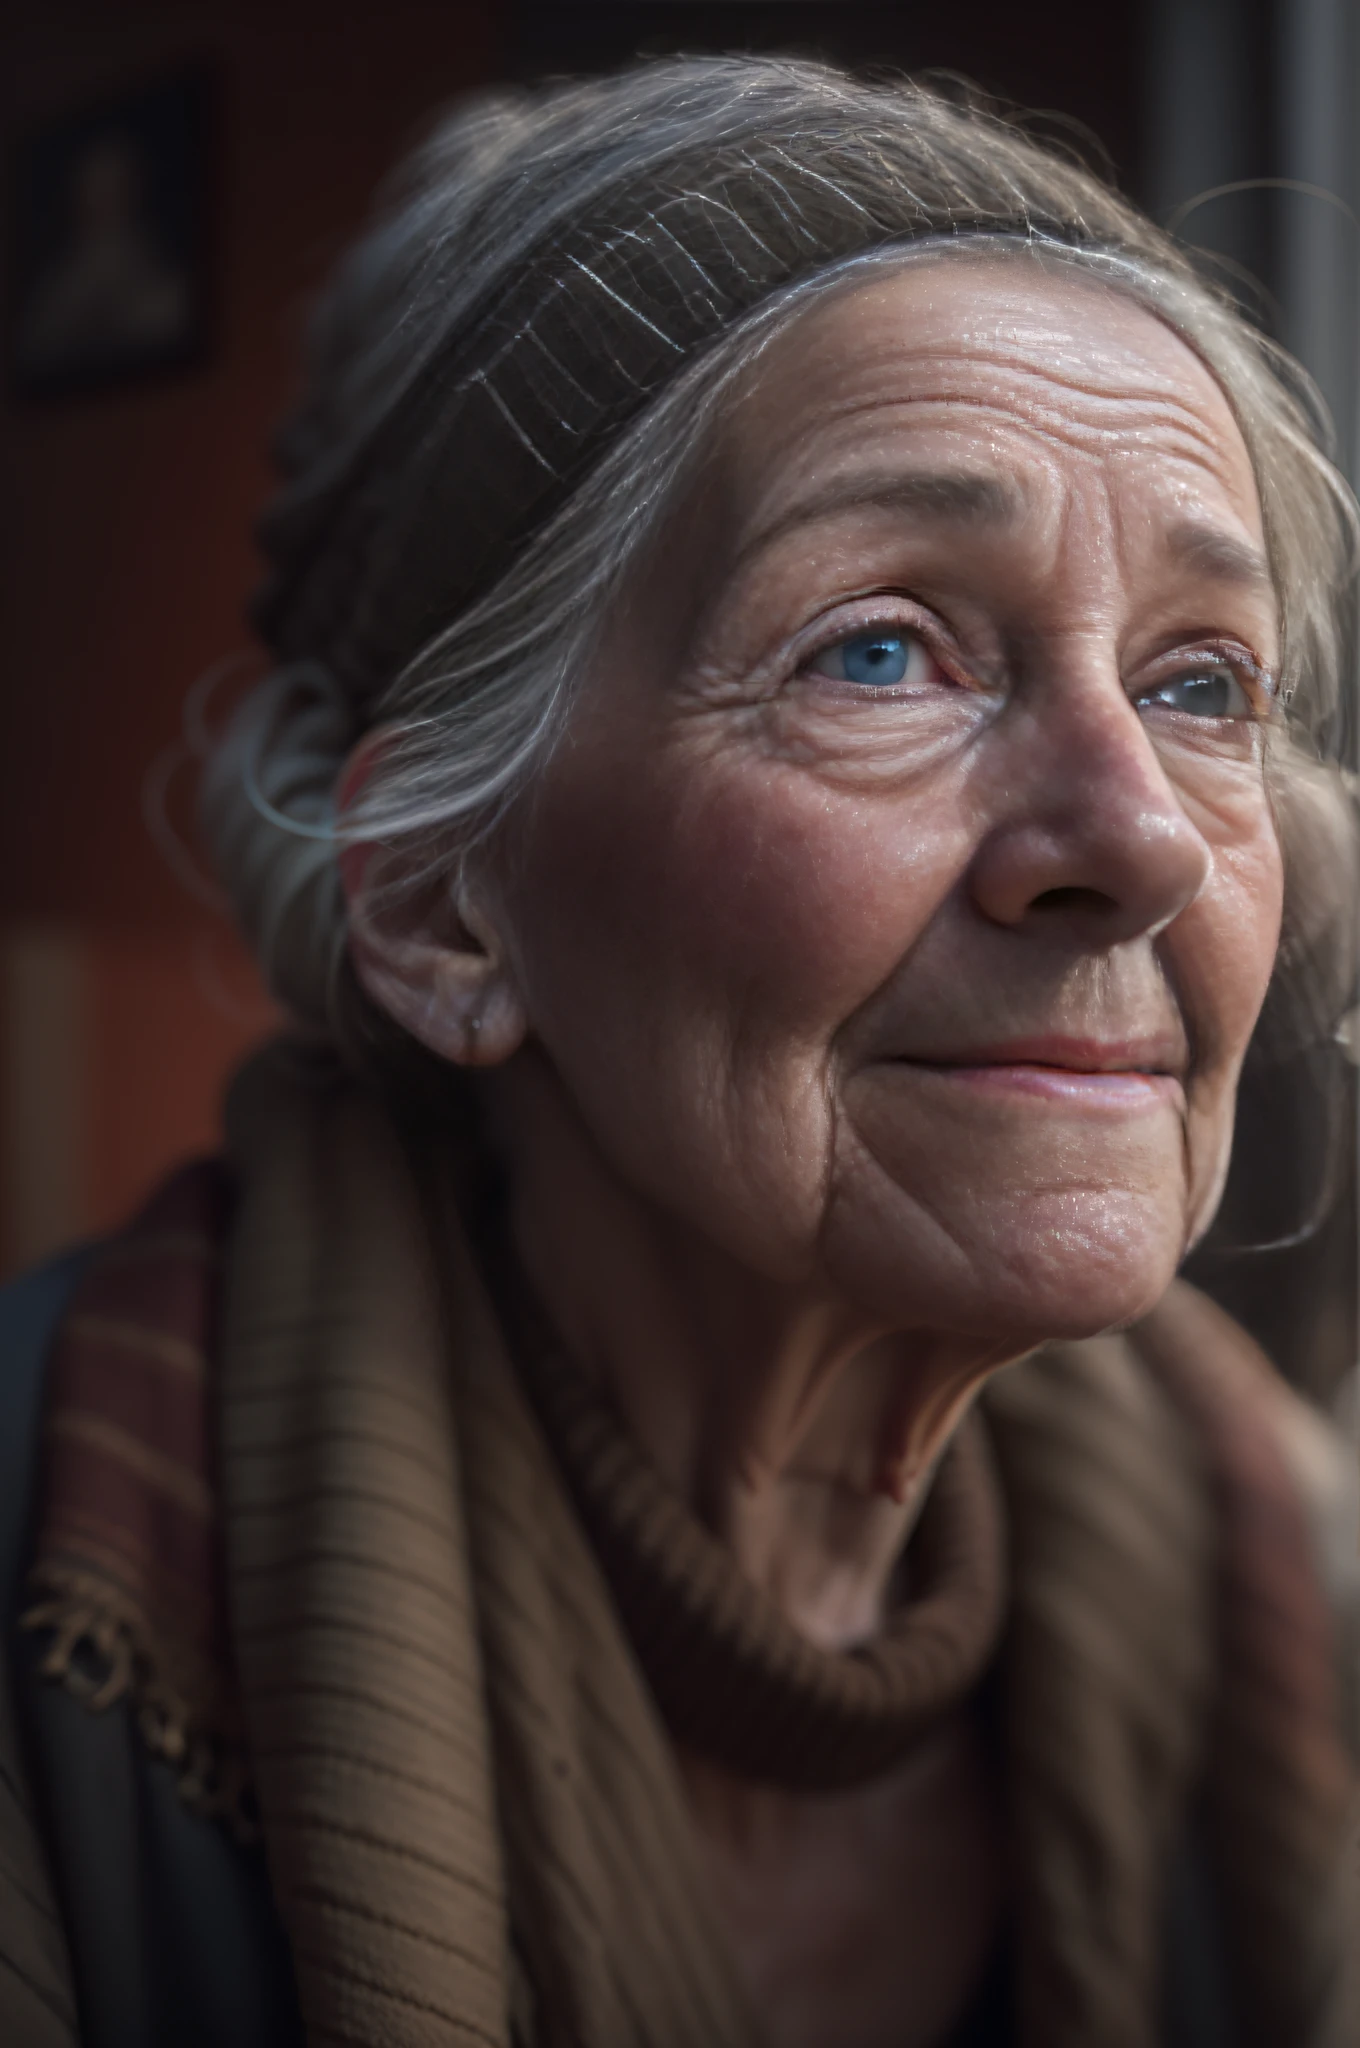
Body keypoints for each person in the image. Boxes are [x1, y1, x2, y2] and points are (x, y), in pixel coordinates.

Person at [1, 54, 1357, 2048]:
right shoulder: (61, 1619)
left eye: (1196, 680)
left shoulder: (1291, 1564)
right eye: (879, 646)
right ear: (441, 905)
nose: (1138, 833)